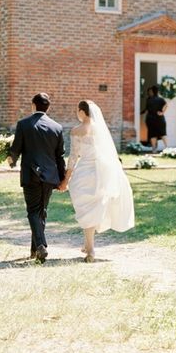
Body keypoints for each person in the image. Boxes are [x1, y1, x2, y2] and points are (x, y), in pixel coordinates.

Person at [59, 100, 135, 261]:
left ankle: (90, 249)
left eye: (77, 111)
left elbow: (73, 158)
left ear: (82, 112)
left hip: (84, 173)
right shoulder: (101, 129)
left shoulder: (76, 130)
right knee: (94, 209)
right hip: (102, 173)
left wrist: (66, 179)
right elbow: (108, 153)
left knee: (86, 209)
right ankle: (88, 245)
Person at [7, 91, 66, 262]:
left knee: (33, 211)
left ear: (33, 105)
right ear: (48, 107)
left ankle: (41, 245)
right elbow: (60, 156)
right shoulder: (57, 127)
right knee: (42, 212)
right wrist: (62, 179)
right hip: (50, 177)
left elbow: (16, 148)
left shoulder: (24, 124)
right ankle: (35, 252)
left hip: (31, 174)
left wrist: (11, 160)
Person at [142, 84, 168, 153]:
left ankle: (154, 149)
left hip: (151, 118)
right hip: (159, 118)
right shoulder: (161, 99)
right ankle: (167, 148)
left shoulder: (149, 100)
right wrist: (162, 112)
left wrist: (143, 115)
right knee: (163, 133)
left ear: (152, 91)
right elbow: (166, 105)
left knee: (153, 134)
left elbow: (146, 109)